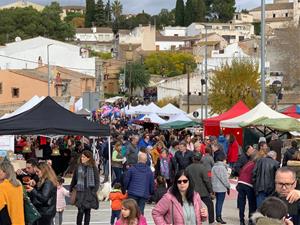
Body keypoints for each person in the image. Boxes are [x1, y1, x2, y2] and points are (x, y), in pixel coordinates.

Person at [70, 150, 100, 225]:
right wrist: (71, 189)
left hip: (89, 193)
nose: (82, 158)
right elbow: (74, 179)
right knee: (80, 211)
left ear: (88, 158)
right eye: (81, 157)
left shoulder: (93, 168)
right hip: (80, 192)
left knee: (88, 212)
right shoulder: (78, 167)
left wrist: (94, 191)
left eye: (83, 157)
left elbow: (97, 181)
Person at [186, 152, 215, 225]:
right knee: (210, 205)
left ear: (193, 159)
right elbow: (207, 181)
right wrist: (211, 191)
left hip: (192, 191)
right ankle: (211, 221)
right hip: (203, 192)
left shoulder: (188, 168)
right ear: (200, 159)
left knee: (191, 206)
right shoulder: (203, 168)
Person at [0, 160, 25, 225]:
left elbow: (1, 207)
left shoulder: (2, 187)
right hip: (19, 220)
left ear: (5, 172)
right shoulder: (18, 184)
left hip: (8, 221)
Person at [237, 155, 257, 225]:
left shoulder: (248, 163)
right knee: (251, 203)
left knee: (242, 203)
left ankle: (241, 220)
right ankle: (250, 220)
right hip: (248, 184)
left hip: (240, 182)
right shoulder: (255, 165)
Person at [211, 152, 230, 224]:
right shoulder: (222, 168)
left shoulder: (214, 167)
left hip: (215, 187)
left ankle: (217, 216)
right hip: (222, 188)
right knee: (220, 203)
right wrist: (228, 186)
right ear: (222, 159)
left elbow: (212, 178)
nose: (226, 161)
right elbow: (224, 179)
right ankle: (219, 217)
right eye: (225, 159)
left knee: (217, 202)